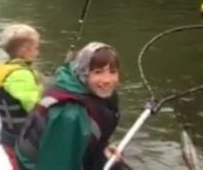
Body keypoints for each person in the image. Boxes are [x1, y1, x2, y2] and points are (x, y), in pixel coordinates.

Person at [16, 42, 127, 170]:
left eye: (112, 72)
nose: (107, 80)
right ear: (83, 73)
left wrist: (102, 149)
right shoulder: (69, 114)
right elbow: (57, 165)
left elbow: (83, 137)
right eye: (98, 72)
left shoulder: (87, 91)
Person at [0, 24, 44, 148]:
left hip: (8, 133)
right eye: (35, 48)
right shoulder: (20, 76)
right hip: (24, 137)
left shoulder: (4, 69)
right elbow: (35, 107)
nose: (38, 52)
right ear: (25, 51)